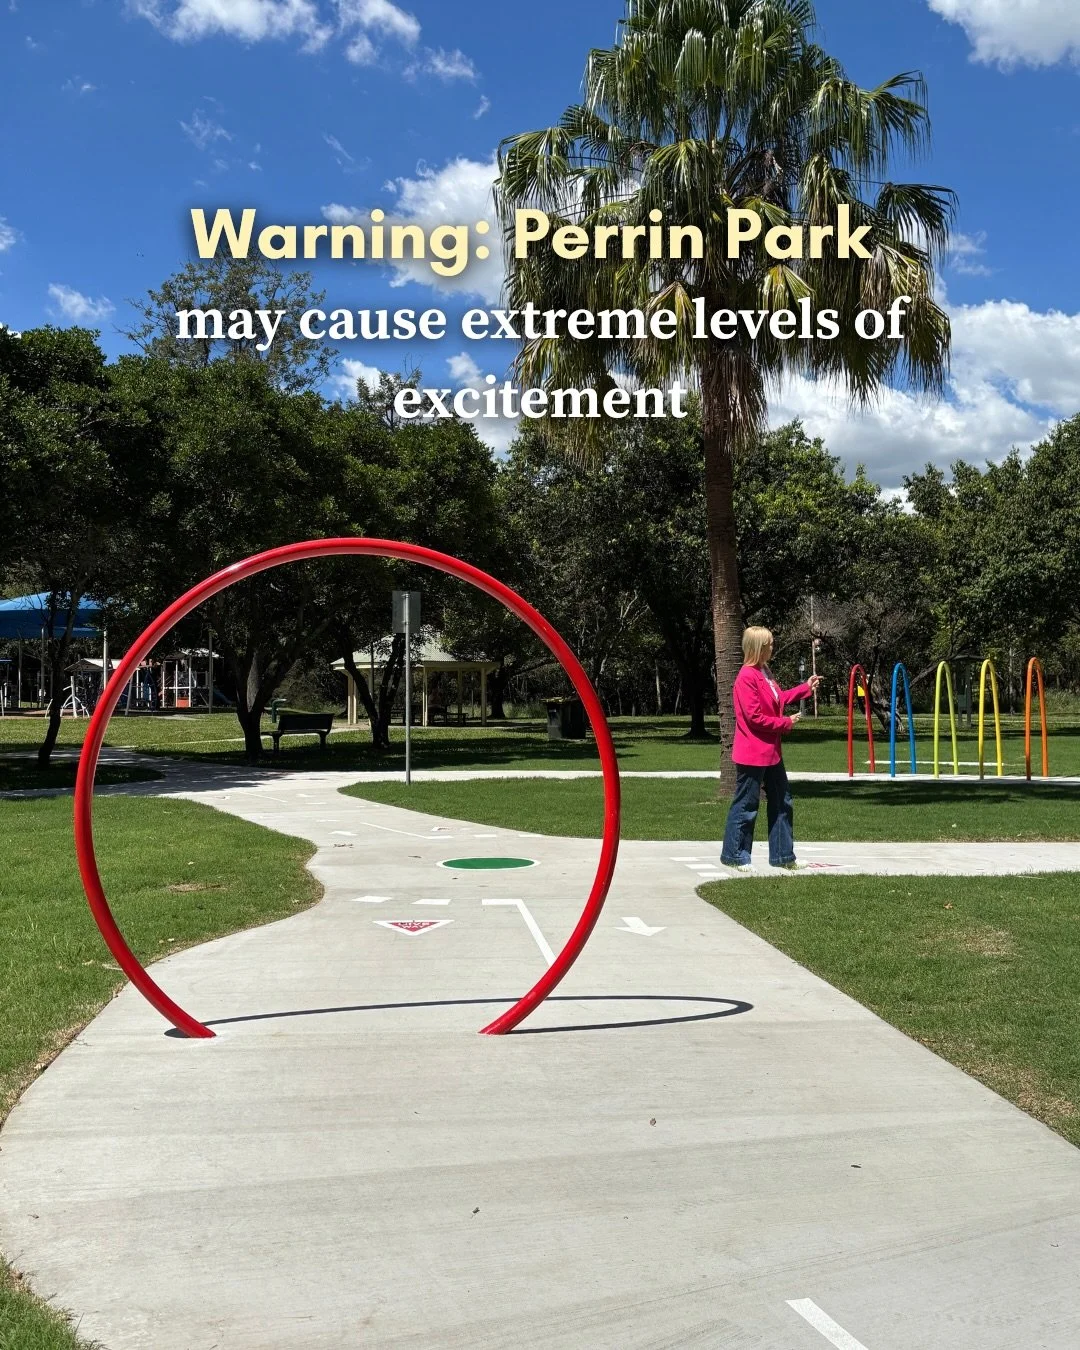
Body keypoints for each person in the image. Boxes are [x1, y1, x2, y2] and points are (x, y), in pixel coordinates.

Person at [720, 626, 823, 872]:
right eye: (769, 644)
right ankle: (735, 856)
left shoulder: (764, 672)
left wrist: (805, 688)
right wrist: (785, 723)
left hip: (771, 753)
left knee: (782, 802)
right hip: (752, 753)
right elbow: (754, 718)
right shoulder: (746, 677)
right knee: (746, 805)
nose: (772, 647)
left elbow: (779, 698)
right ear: (758, 647)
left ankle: (783, 856)